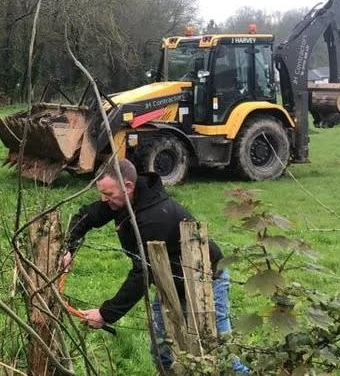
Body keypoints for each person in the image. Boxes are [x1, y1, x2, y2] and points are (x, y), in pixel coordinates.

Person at [60, 158, 249, 373]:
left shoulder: (153, 217)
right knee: (164, 353)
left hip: (206, 281)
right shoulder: (124, 200)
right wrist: (68, 248)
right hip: (168, 283)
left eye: (108, 194)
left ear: (128, 187)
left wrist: (106, 314)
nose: (104, 200)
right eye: (102, 194)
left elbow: (143, 273)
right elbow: (87, 216)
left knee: (221, 354)